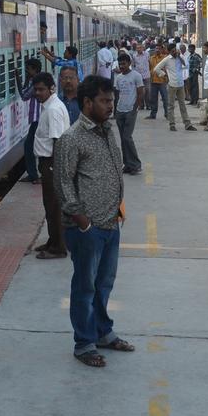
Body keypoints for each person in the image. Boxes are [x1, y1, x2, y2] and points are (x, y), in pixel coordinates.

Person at [52, 75, 131, 367]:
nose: (110, 106)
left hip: (110, 222)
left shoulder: (108, 130)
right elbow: (63, 184)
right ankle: (84, 343)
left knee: (104, 283)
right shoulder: (71, 139)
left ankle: (102, 332)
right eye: (104, 101)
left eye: (112, 100)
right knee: (85, 287)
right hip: (87, 229)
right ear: (87, 103)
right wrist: (82, 222)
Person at [32, 72, 69, 259]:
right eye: (36, 89)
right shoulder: (50, 106)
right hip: (48, 163)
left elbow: (58, 141)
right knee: (50, 205)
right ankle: (53, 240)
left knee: (53, 206)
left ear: (51, 89)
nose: (38, 93)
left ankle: (58, 247)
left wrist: (55, 168)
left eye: (41, 89)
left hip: (51, 163)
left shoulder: (53, 110)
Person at [112, 53, 145, 175]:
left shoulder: (136, 76)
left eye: (124, 64)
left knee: (127, 137)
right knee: (123, 139)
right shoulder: (118, 78)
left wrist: (135, 108)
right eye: (120, 64)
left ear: (129, 63)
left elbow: (140, 93)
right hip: (120, 111)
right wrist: (115, 110)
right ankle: (127, 164)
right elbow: (117, 95)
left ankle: (136, 164)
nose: (121, 66)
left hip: (130, 111)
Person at [154, 43, 196, 131]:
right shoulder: (167, 59)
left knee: (182, 105)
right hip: (172, 85)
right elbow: (156, 69)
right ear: (169, 52)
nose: (174, 52)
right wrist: (164, 75)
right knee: (171, 105)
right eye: (172, 51)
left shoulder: (180, 57)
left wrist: (179, 57)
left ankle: (187, 124)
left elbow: (186, 66)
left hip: (180, 84)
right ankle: (172, 124)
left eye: (175, 50)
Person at [19, 57, 44, 183]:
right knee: (33, 145)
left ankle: (34, 175)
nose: (27, 71)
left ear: (34, 69)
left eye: (28, 69)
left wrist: (18, 80)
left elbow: (24, 96)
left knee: (29, 146)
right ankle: (34, 174)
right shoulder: (40, 80)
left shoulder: (36, 83)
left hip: (37, 118)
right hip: (39, 118)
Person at [146, 44, 168, 119]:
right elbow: (150, 68)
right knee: (153, 99)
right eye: (156, 48)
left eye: (159, 48)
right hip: (153, 81)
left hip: (162, 81)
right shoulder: (151, 58)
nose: (157, 50)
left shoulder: (164, 58)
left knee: (165, 98)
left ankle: (167, 114)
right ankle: (153, 114)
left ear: (161, 50)